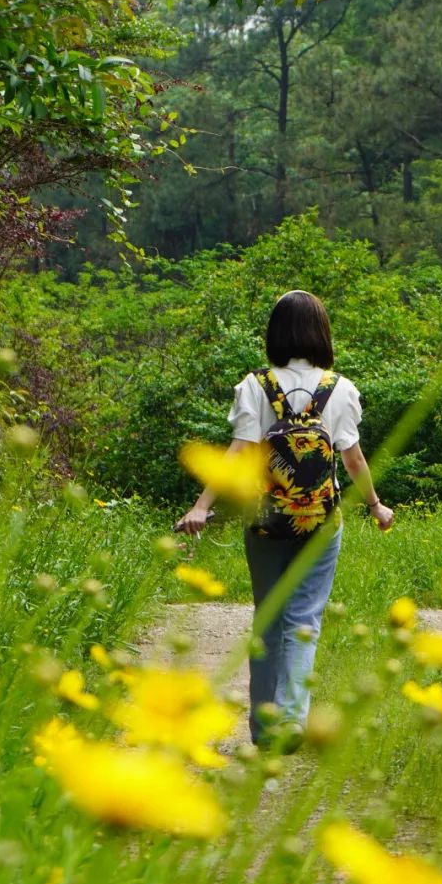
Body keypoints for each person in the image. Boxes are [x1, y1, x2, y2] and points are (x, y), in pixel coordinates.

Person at [177, 288, 393, 742]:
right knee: (304, 619)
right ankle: (293, 720)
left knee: (268, 617)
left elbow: (237, 453)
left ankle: (262, 728)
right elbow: (352, 460)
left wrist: (202, 506)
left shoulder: (255, 386)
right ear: (321, 333)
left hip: (264, 520)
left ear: (275, 333)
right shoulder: (340, 390)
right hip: (319, 519)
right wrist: (375, 505)